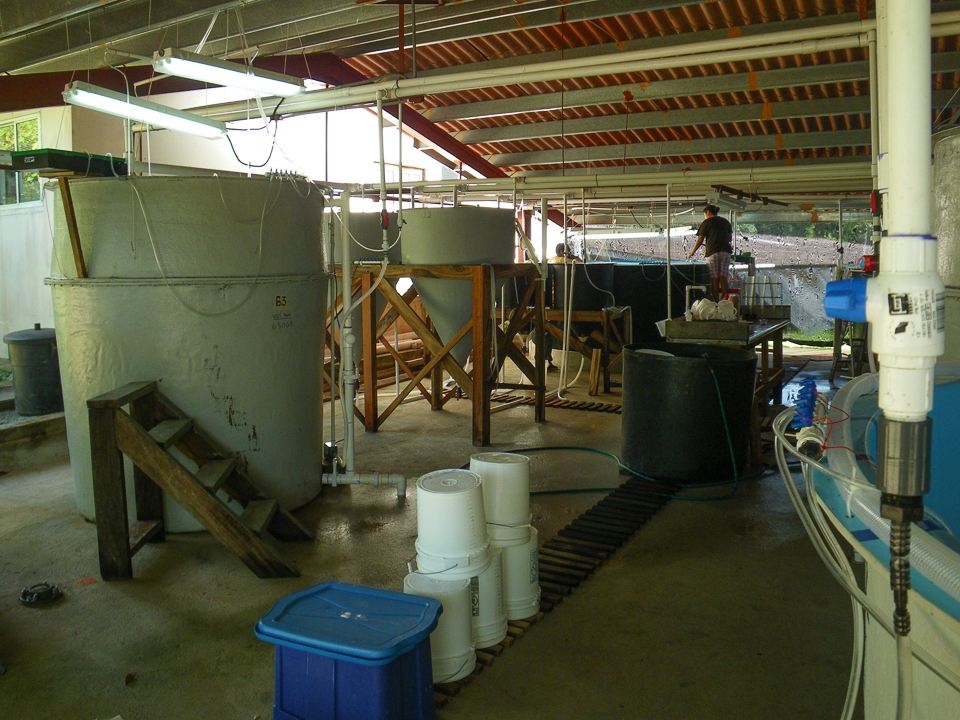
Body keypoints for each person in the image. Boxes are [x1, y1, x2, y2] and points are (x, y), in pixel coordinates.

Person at [687, 203, 733, 300]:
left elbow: (700, 240)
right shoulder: (725, 222)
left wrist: (692, 252)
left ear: (708, 212)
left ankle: (716, 303)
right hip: (726, 253)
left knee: (714, 279)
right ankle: (726, 302)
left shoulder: (706, 222)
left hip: (713, 253)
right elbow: (729, 238)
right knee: (723, 278)